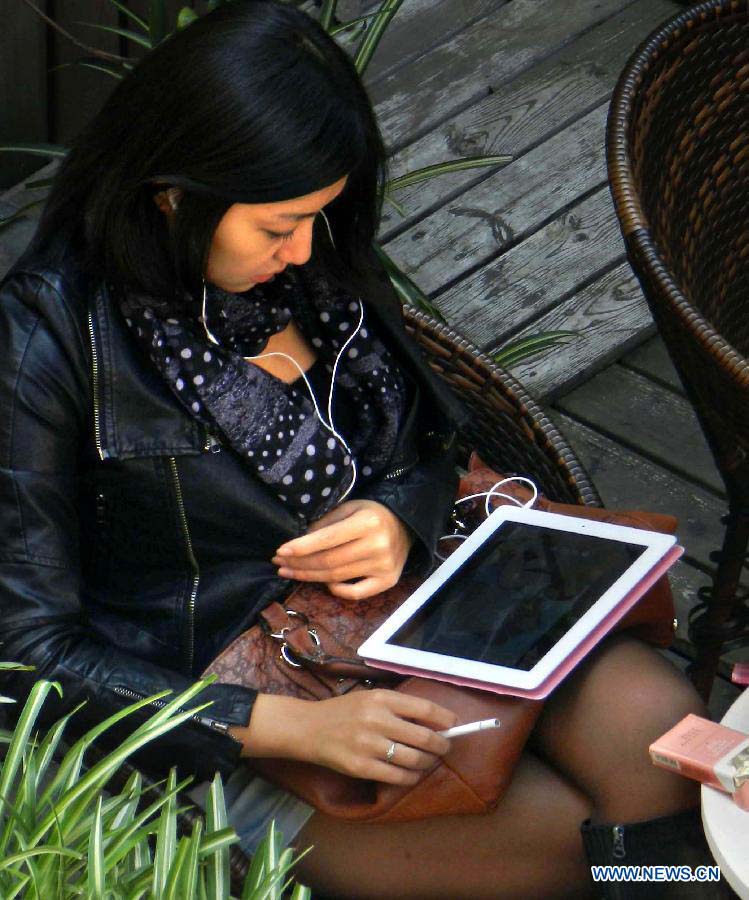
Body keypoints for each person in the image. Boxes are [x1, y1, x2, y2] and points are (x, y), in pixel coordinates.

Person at [0, 2, 721, 897]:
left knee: (660, 734)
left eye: (318, 216)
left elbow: (432, 435)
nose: (304, 249)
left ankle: (656, 892)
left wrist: (394, 512)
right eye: (274, 227)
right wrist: (276, 729)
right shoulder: (44, 340)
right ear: (173, 191)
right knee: (560, 849)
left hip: (418, 606)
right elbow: (25, 650)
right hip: (236, 704)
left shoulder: (313, 257)